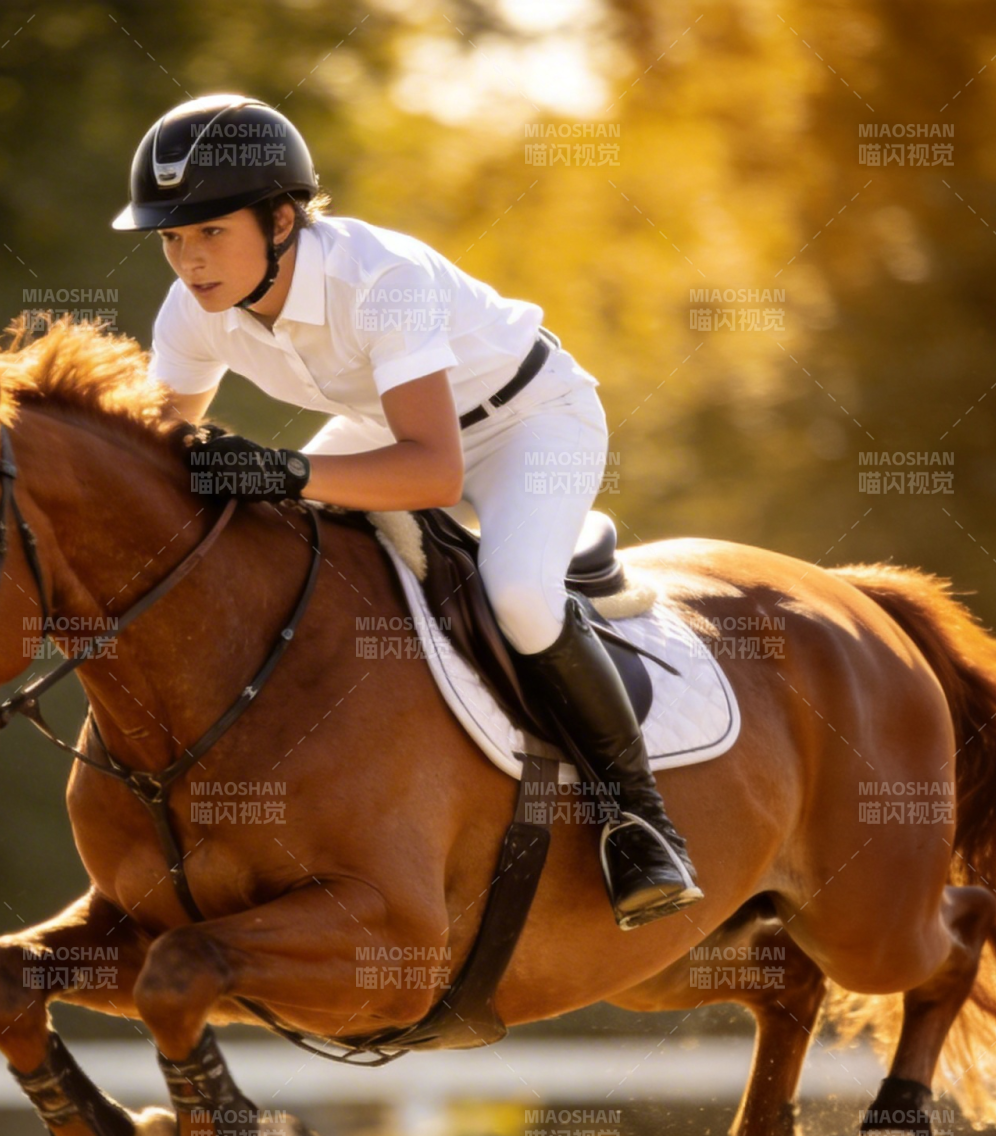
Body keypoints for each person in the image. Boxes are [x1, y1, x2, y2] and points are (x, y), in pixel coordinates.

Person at [113, 94, 700, 930]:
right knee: (289, 547)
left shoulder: (380, 278)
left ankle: (641, 822)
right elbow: (155, 450)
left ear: (282, 219)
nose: (189, 260)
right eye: (172, 237)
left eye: (211, 231)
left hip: (529, 423)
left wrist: (286, 467)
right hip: (394, 426)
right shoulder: (194, 314)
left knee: (522, 598)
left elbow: (431, 472)